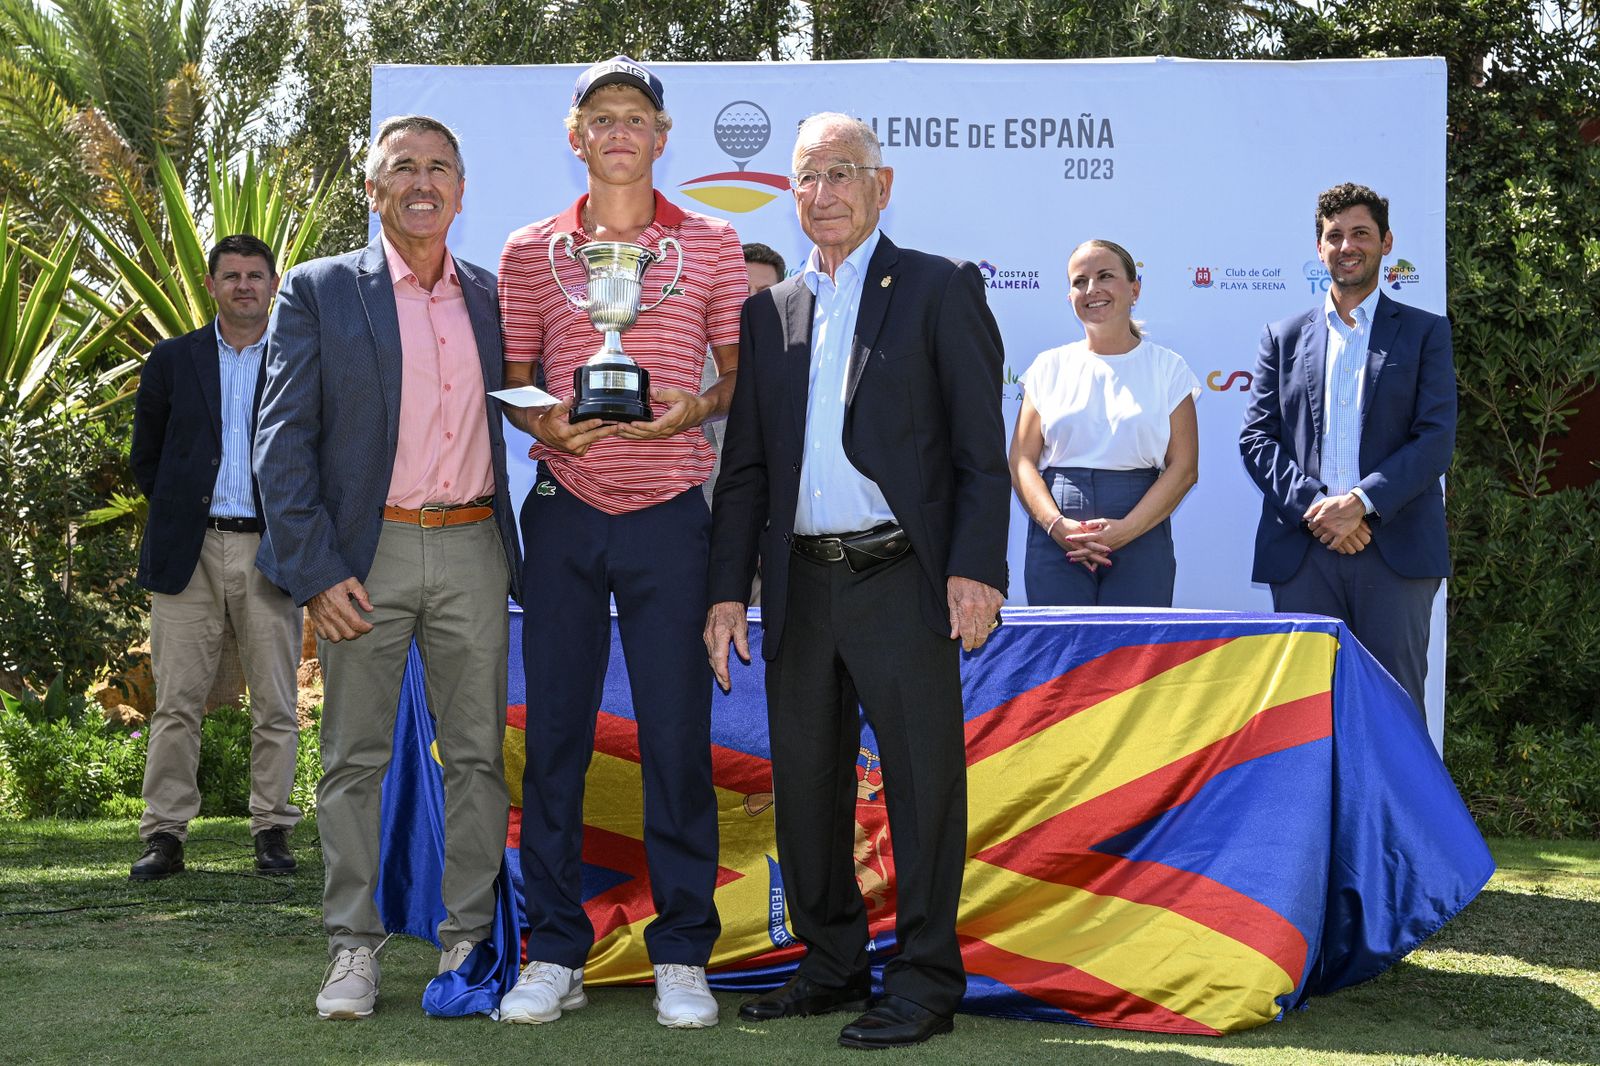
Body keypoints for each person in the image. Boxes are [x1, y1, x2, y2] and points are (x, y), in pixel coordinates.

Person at [704, 112, 1008, 1051]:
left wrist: (976, 568)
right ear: (789, 193)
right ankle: (831, 965)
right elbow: (746, 467)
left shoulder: (937, 288)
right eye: (807, 177)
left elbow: (978, 453)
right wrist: (726, 591)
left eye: (842, 173)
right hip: (800, 586)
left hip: (901, 578)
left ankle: (924, 980)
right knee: (806, 786)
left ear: (883, 184)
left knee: (922, 789)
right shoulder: (771, 310)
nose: (824, 193)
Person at [494, 55, 745, 1029]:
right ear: (575, 134)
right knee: (553, 740)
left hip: (673, 518)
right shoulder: (529, 250)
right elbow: (514, 378)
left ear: (662, 134)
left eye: (635, 116)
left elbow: (733, 380)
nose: (618, 132)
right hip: (563, 511)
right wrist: (545, 423)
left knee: (677, 741)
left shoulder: (714, 243)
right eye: (600, 117)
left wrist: (693, 407)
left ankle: (683, 952)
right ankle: (552, 950)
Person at [254, 115, 522, 1019]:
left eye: (440, 167)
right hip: (362, 560)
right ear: (372, 189)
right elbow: (281, 443)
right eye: (401, 167)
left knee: (478, 759)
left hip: (477, 546)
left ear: (460, 188)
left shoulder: (492, 296)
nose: (421, 181)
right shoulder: (320, 290)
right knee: (354, 760)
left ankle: (468, 946)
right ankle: (352, 950)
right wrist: (316, 572)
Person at [1240, 182, 1455, 715]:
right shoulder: (1282, 337)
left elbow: (1435, 440)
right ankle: (1315, 805)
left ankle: (1390, 805)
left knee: (1394, 713)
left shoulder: (1426, 333)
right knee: (1303, 714)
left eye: (1360, 233)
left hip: (1395, 552)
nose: (1347, 245)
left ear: (1386, 242)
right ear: (1319, 249)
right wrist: (1320, 509)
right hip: (1305, 552)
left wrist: (1358, 503)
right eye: (1334, 235)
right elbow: (1257, 438)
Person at [128, 234, 302, 882]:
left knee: (277, 703)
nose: (243, 286)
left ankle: (273, 832)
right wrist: (182, 514)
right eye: (230, 275)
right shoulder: (173, 360)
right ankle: (165, 836)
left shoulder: (294, 358)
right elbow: (146, 456)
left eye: (255, 275)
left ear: (273, 283)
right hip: (189, 553)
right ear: (211, 285)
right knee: (176, 702)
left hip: (271, 550)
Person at [1008, 239, 1200, 606]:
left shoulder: (1168, 368)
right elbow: (1021, 461)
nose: (1091, 290)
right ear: (1069, 297)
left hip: (1142, 527)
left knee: (1136, 657)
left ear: (1134, 289)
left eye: (1105, 276)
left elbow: (1185, 468)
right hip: (1058, 536)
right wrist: (1057, 525)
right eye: (1079, 281)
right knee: (1062, 656)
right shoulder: (1047, 367)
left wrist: (1126, 531)